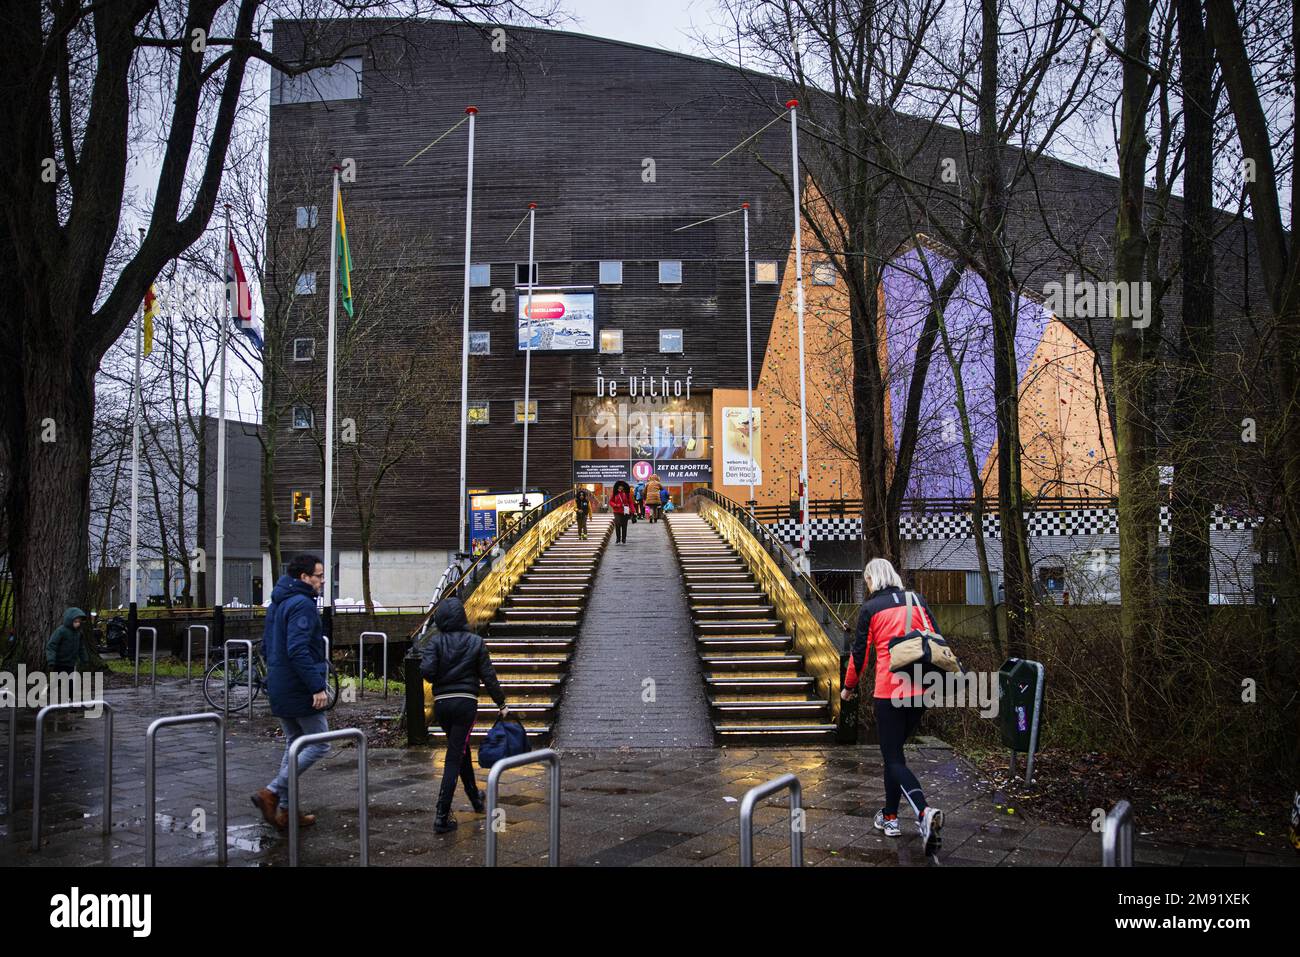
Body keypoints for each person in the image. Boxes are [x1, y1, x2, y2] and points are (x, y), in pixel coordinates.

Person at [840, 557, 945, 854]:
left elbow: (859, 656)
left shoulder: (871, 609)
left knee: (894, 759)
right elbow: (935, 640)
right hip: (921, 690)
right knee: (894, 756)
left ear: (873, 579)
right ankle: (890, 817)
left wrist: (848, 688)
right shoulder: (917, 599)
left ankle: (924, 813)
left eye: (867, 581)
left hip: (890, 692)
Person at [251, 553, 330, 831]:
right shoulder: (302, 605)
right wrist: (316, 686)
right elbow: (298, 649)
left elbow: (267, 645)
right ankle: (271, 793)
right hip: (298, 688)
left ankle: (285, 810)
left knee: (294, 743)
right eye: (318, 576)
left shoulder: (278, 602)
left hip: (279, 684)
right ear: (304, 578)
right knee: (321, 743)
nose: (322, 581)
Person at [420, 597, 508, 833]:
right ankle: (441, 814)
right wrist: (502, 703)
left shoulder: (435, 642)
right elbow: (488, 676)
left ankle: (474, 797)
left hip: (443, 705)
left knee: (460, 749)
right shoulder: (476, 642)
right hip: (465, 704)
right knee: (454, 755)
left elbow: (427, 672)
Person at [45, 607, 89, 672]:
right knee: (57, 681)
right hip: (59, 663)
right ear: (70, 620)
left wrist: (84, 659)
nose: (78, 624)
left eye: (79, 622)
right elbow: (52, 645)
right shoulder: (61, 631)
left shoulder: (79, 633)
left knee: (70, 681)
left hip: (71, 664)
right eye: (75, 621)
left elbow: (81, 647)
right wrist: (51, 660)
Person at [610, 480, 634, 544]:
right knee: (617, 524)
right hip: (617, 511)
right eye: (620, 486)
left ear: (624, 487)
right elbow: (611, 501)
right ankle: (618, 538)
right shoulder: (615, 493)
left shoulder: (627, 494)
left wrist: (633, 511)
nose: (621, 487)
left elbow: (630, 502)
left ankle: (624, 539)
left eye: (622, 486)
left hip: (625, 511)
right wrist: (616, 505)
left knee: (624, 525)